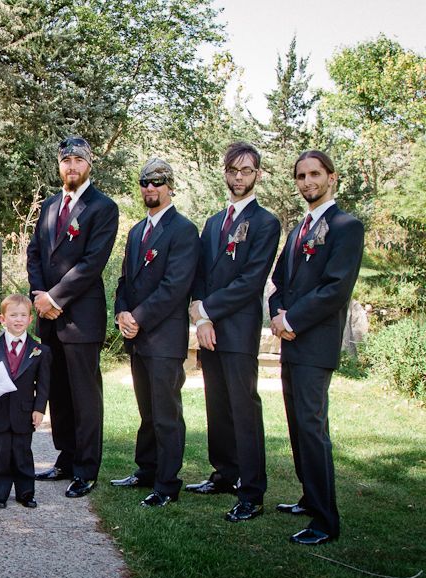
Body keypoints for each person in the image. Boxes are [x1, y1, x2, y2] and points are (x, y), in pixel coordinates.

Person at [269, 150, 364, 545]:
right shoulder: (298, 230)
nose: (307, 182)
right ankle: (309, 497)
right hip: (291, 342)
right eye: (301, 176)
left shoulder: (346, 226)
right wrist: (276, 313)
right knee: (297, 424)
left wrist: (291, 320)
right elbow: (279, 281)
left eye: (314, 174)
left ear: (331, 178)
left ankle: (325, 521)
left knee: (312, 427)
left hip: (315, 341)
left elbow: (335, 288)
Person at [187, 143, 281, 523]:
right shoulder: (212, 223)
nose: (238, 177)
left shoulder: (266, 223)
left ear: (257, 174)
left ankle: (252, 491)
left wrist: (208, 310)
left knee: (244, 408)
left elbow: (250, 281)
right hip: (210, 330)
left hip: (239, 330)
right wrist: (201, 319)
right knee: (217, 405)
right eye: (232, 170)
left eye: (246, 170)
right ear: (224, 173)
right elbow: (200, 275)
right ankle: (225, 474)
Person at [26, 137, 119, 498]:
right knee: (59, 393)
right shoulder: (50, 206)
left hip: (80, 316)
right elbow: (35, 253)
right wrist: (38, 295)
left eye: (78, 161)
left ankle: (86, 468)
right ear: (59, 166)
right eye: (66, 161)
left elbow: (92, 263)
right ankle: (65, 458)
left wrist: (55, 297)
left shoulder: (103, 208)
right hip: (47, 317)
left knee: (84, 395)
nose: (71, 167)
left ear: (89, 165)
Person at [112, 158, 200, 507]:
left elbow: (175, 286)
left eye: (158, 182)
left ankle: (167, 484)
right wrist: (121, 311)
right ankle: (145, 470)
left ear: (170, 186)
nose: (151, 188)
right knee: (146, 412)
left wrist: (139, 317)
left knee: (166, 415)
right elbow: (124, 282)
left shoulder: (183, 230)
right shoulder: (136, 232)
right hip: (138, 339)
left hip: (164, 339)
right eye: (145, 182)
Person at [0, 294, 50, 509]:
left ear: (30, 320)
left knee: (22, 454)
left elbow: (45, 384)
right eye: (13, 315)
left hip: (24, 411)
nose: (18, 320)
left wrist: (39, 409)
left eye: (22, 316)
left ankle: (25, 493)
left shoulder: (40, 351)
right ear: (2, 319)